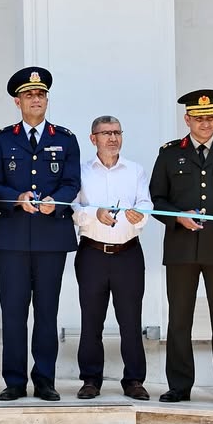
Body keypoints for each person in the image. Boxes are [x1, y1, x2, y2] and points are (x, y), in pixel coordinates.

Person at [149, 89, 213, 409]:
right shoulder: (169, 154)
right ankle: (179, 386)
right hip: (181, 249)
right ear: (187, 119)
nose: (206, 124)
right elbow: (156, 200)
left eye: (211, 117)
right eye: (199, 118)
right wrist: (178, 218)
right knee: (180, 318)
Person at [0, 67, 80, 402]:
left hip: (52, 237)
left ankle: (44, 380)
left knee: (46, 311)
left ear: (46, 99)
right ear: (18, 101)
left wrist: (56, 202)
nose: (36, 100)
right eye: (29, 95)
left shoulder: (65, 138)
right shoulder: (2, 139)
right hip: (12, 237)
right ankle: (14, 380)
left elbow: (72, 181)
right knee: (12, 311)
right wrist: (17, 198)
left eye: (41, 95)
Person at [71, 115, 151, 401]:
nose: (113, 138)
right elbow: (73, 206)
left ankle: (134, 380)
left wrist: (140, 213)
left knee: (130, 320)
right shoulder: (80, 172)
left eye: (117, 132)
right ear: (93, 139)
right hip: (92, 253)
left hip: (128, 253)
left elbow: (145, 201)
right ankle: (91, 379)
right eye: (106, 133)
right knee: (91, 320)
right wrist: (95, 214)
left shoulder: (135, 170)